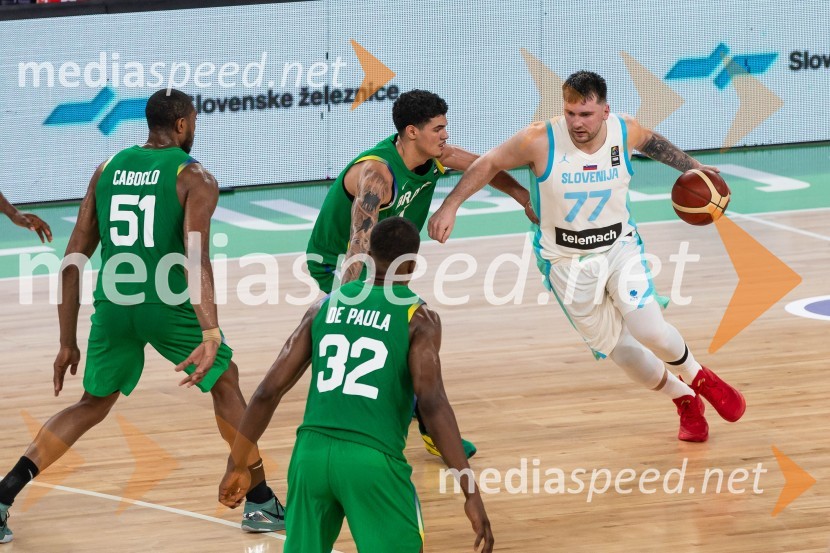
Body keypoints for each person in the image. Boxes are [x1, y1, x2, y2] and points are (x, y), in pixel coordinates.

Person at [0, 89, 283, 545]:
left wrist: (66, 339)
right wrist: (209, 329)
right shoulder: (195, 177)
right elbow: (195, 259)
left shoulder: (106, 169)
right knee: (225, 379)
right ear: (183, 125)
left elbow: (74, 257)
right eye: (194, 121)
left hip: (114, 303)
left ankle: (4, 494)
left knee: (92, 404)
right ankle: (260, 501)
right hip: (167, 304)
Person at [428, 71, 745, 443]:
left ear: (605, 111)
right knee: (623, 352)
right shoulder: (537, 139)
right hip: (565, 262)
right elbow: (488, 163)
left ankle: (700, 377)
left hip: (619, 248)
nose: (577, 123)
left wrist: (692, 167)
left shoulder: (624, 130)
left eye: (586, 114)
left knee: (649, 328)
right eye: (570, 113)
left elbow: (654, 143)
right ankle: (685, 399)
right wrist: (451, 205)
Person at [221, 217, 494, 553]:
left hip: (310, 457)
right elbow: (433, 405)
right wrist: (470, 491)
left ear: (367, 253)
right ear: (412, 264)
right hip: (373, 462)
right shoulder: (419, 319)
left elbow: (267, 391)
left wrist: (237, 463)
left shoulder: (323, 306)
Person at [306, 89, 537, 458]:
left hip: (388, 265)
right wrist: (351, 307)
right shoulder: (376, 175)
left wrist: (522, 197)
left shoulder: (436, 156)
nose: (445, 136)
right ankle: (411, 425)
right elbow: (357, 245)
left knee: (408, 336)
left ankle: (418, 421)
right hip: (340, 263)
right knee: (400, 334)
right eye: (438, 129)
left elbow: (487, 165)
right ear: (411, 132)